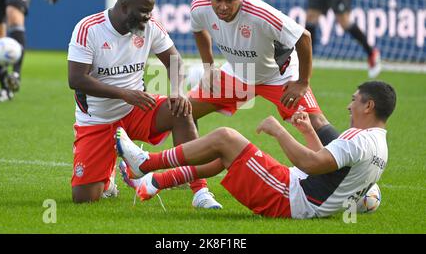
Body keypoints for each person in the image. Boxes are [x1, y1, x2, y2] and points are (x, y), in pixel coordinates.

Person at [116, 81, 396, 219]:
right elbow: (330, 170)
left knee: (226, 138)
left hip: (292, 199)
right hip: (300, 192)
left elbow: (312, 164)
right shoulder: (377, 143)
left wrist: (279, 131)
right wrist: (309, 132)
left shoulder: (359, 139)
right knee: (224, 156)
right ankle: (155, 181)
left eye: (354, 100)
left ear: (368, 106)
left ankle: (147, 163)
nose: (349, 106)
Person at [67, 0, 222, 208]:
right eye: (142, 11)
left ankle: (200, 192)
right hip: (98, 119)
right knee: (84, 198)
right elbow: (76, 79)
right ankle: (113, 173)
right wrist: (125, 94)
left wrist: (178, 92)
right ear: (124, 7)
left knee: (181, 109)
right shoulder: (89, 29)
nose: (147, 17)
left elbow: (174, 61)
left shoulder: (150, 27)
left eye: (150, 12)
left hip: (137, 109)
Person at [188, 0, 340, 148]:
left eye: (230, 0)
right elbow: (198, 30)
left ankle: (350, 169)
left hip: (278, 76)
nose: (223, 6)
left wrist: (302, 82)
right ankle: (191, 174)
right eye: (217, 0)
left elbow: (304, 37)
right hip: (238, 73)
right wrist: (209, 67)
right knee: (184, 111)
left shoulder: (261, 14)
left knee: (316, 123)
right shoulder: (200, 6)